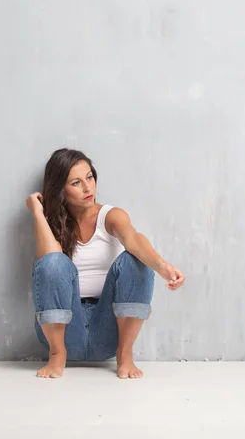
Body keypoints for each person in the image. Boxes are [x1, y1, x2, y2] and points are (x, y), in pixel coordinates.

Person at [25, 148, 186, 379]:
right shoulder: (53, 222)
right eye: (76, 183)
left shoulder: (110, 215)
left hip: (109, 329)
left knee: (135, 259)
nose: (88, 188)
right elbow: (50, 263)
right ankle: (57, 356)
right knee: (52, 262)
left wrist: (164, 267)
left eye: (89, 177)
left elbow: (133, 240)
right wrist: (38, 214)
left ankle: (125, 356)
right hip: (65, 330)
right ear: (60, 188)